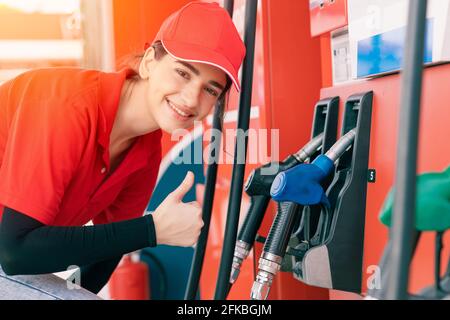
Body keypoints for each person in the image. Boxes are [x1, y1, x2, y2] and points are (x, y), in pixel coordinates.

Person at [0, 1, 246, 300]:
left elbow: (102, 260)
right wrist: (152, 229)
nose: (192, 98)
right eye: (183, 72)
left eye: (210, 89)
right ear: (148, 62)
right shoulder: (68, 106)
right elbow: (15, 252)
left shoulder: (144, 151)